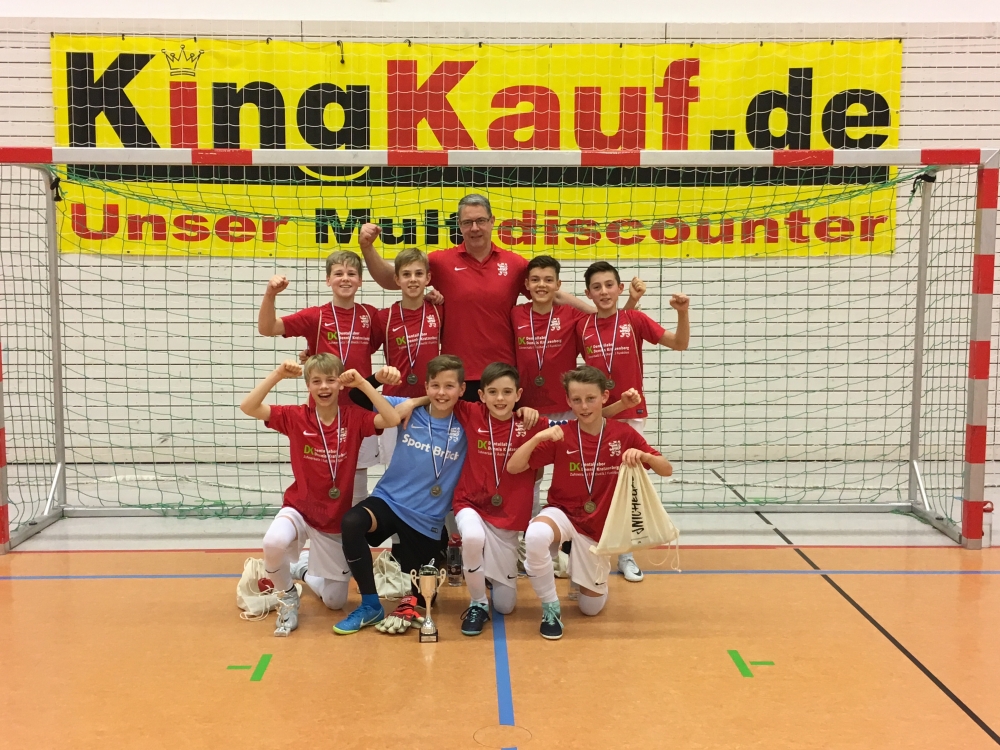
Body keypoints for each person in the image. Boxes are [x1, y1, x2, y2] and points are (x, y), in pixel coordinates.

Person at [451, 362, 641, 636]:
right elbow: (438, 396)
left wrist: (621, 405)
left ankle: (580, 574)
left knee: (505, 606)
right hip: (471, 502)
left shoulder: (533, 423)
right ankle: (478, 602)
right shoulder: (472, 412)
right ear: (481, 395)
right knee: (472, 537)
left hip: (508, 516)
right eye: (492, 392)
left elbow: (584, 420)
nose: (500, 398)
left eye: (507, 392)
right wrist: (410, 404)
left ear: (518, 394)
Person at [357, 194, 594, 399]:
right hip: (455, 377)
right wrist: (367, 248)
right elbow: (392, 279)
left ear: (492, 221)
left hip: (502, 375)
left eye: (481, 221)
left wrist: (601, 314)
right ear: (459, 226)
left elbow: (552, 294)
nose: (475, 228)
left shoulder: (514, 263)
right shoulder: (440, 262)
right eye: (467, 222)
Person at [238, 354, 401, 637]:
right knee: (273, 542)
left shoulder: (353, 417)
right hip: (300, 508)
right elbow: (248, 406)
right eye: (316, 381)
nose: (324, 386)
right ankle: (288, 596)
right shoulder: (295, 416)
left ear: (340, 384)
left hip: (334, 519)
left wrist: (363, 383)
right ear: (308, 386)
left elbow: (392, 418)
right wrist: (278, 374)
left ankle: (302, 568)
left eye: (330, 380)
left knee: (335, 602)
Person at [507, 366, 673, 640]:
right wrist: (538, 437)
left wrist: (644, 457)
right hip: (563, 513)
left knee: (590, 609)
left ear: (605, 397)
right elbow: (514, 467)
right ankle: (550, 607)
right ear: (568, 401)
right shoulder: (561, 434)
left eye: (590, 399)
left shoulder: (622, 434)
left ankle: (578, 568)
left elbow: (666, 469)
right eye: (577, 400)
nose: (584, 407)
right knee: (535, 535)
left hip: (597, 527)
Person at [333, 354, 468, 636]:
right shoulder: (405, 409)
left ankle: (414, 593)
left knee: (422, 596)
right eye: (435, 386)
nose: (441, 393)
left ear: (462, 389)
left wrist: (419, 399)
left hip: (427, 519)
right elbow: (357, 397)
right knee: (352, 522)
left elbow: (500, 406)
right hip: (389, 501)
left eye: (449, 386)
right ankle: (370, 604)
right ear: (426, 386)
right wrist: (375, 380)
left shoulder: (468, 420)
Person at [576, 260, 690, 583]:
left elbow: (679, 344)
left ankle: (625, 553)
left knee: (624, 484)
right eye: (596, 287)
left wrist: (682, 313)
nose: (603, 292)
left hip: (630, 416)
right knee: (591, 482)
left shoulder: (635, 319)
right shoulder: (581, 326)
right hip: (593, 415)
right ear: (588, 293)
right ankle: (586, 548)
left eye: (609, 285)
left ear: (620, 288)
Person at [511, 254, 644, 515]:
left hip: (569, 408)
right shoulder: (516, 314)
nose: (541, 285)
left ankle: (580, 523)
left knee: (578, 468)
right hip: (531, 410)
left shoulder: (573, 315)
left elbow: (609, 318)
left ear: (559, 284)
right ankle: (530, 527)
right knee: (531, 472)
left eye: (549, 280)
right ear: (526, 284)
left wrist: (631, 301)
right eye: (535, 280)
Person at [257, 250, 386, 506]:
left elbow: (402, 322)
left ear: (361, 280)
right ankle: (317, 526)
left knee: (357, 480)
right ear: (328, 280)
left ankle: (354, 530)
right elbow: (267, 328)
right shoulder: (315, 316)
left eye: (352, 273)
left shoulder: (371, 315)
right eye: (338, 273)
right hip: (323, 410)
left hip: (359, 411)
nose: (345, 278)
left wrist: (431, 299)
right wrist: (270, 294)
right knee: (320, 472)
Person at [372, 247, 442, 467]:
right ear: (397, 279)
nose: (413, 280)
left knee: (428, 467)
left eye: (418, 274)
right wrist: (312, 349)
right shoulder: (384, 317)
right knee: (395, 468)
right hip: (393, 403)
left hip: (430, 402)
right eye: (406, 274)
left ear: (428, 278)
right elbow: (358, 348)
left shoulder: (439, 311)